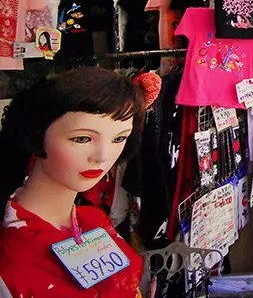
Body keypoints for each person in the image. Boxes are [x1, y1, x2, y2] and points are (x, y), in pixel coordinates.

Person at [0, 68, 145, 297]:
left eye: (119, 138)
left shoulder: (94, 222)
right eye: (82, 138)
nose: (102, 156)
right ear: (37, 135)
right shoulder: (11, 255)